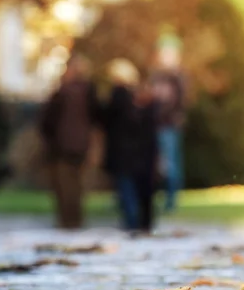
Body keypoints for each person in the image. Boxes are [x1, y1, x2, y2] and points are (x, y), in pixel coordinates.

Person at [38, 55, 100, 229]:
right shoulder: (89, 93)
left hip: (62, 147)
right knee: (76, 186)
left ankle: (68, 220)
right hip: (81, 146)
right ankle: (75, 220)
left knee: (65, 186)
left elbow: (47, 122)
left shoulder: (62, 93)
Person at [102, 59, 159, 234]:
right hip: (136, 153)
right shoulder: (137, 103)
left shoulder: (121, 98)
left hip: (125, 152)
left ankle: (133, 220)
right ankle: (138, 220)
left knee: (127, 187)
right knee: (135, 188)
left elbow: (108, 120)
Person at [151, 62, 187, 213]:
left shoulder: (174, 82)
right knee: (160, 165)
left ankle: (171, 200)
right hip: (159, 127)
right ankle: (164, 198)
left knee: (170, 165)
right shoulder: (159, 79)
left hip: (167, 127)